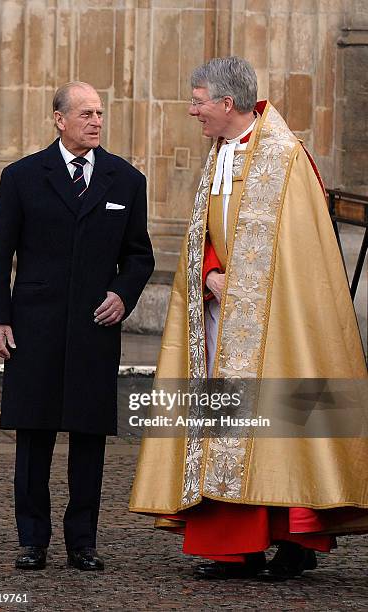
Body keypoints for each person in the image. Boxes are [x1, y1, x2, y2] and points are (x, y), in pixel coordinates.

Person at [129, 57, 368, 581]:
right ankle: (233, 546)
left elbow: (305, 253)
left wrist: (256, 292)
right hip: (221, 321)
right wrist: (211, 271)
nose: (192, 111)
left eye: (198, 101)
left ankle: (292, 536)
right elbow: (205, 234)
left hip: (276, 325)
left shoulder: (284, 158)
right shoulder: (219, 152)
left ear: (227, 103)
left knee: (281, 425)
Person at [0, 81, 154, 571]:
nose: (96, 121)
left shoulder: (126, 180)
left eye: (99, 113)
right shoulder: (22, 177)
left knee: (89, 437)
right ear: (59, 119)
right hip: (33, 326)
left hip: (94, 328)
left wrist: (123, 293)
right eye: (85, 113)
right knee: (33, 437)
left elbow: (140, 256)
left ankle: (83, 542)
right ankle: (31, 540)